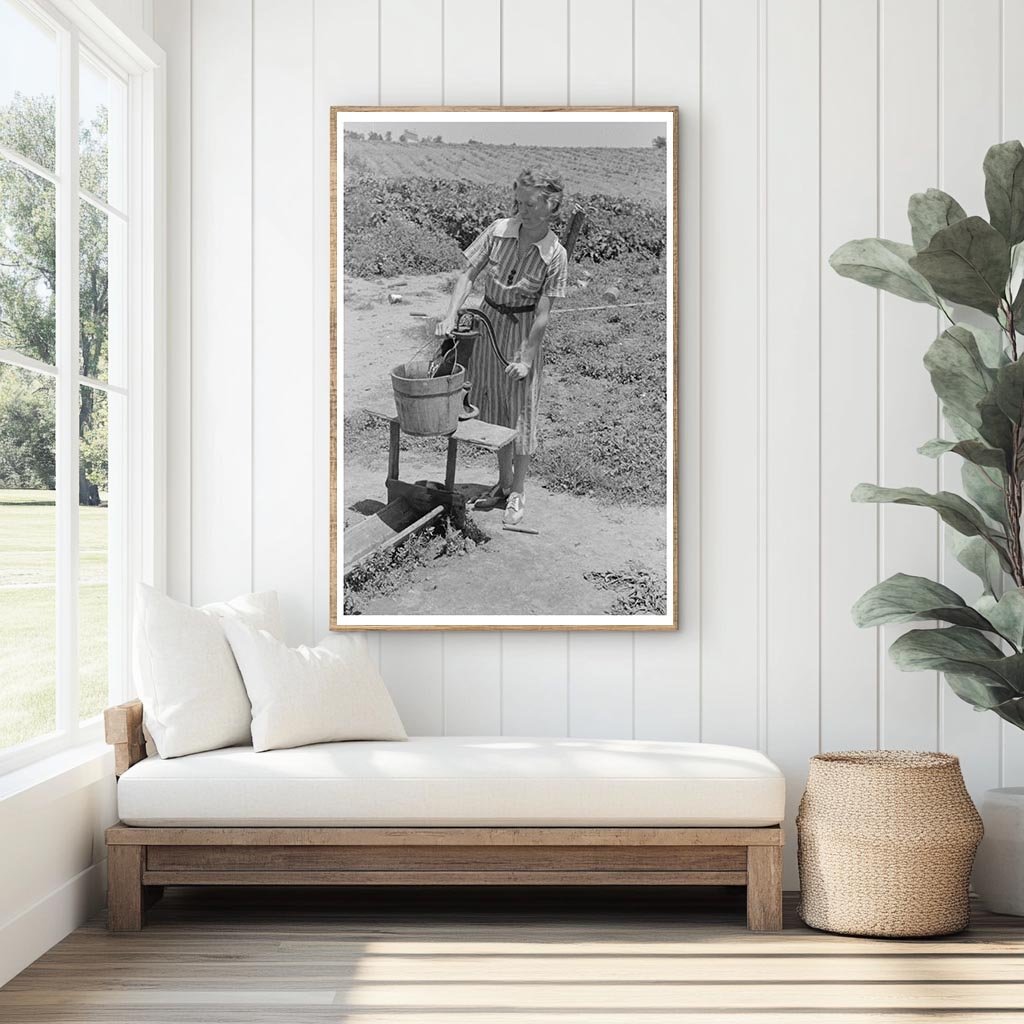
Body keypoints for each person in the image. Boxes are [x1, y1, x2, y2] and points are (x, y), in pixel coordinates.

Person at [436, 170, 569, 526]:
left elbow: (543, 314)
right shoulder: (497, 231)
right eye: (518, 201)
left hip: (523, 332)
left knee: (521, 412)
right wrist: (450, 315)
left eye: (530, 203)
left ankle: (519, 490)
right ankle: (503, 481)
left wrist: (526, 360)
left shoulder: (555, 254)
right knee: (493, 406)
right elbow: (467, 275)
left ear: (551, 206)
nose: (521, 209)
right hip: (488, 325)